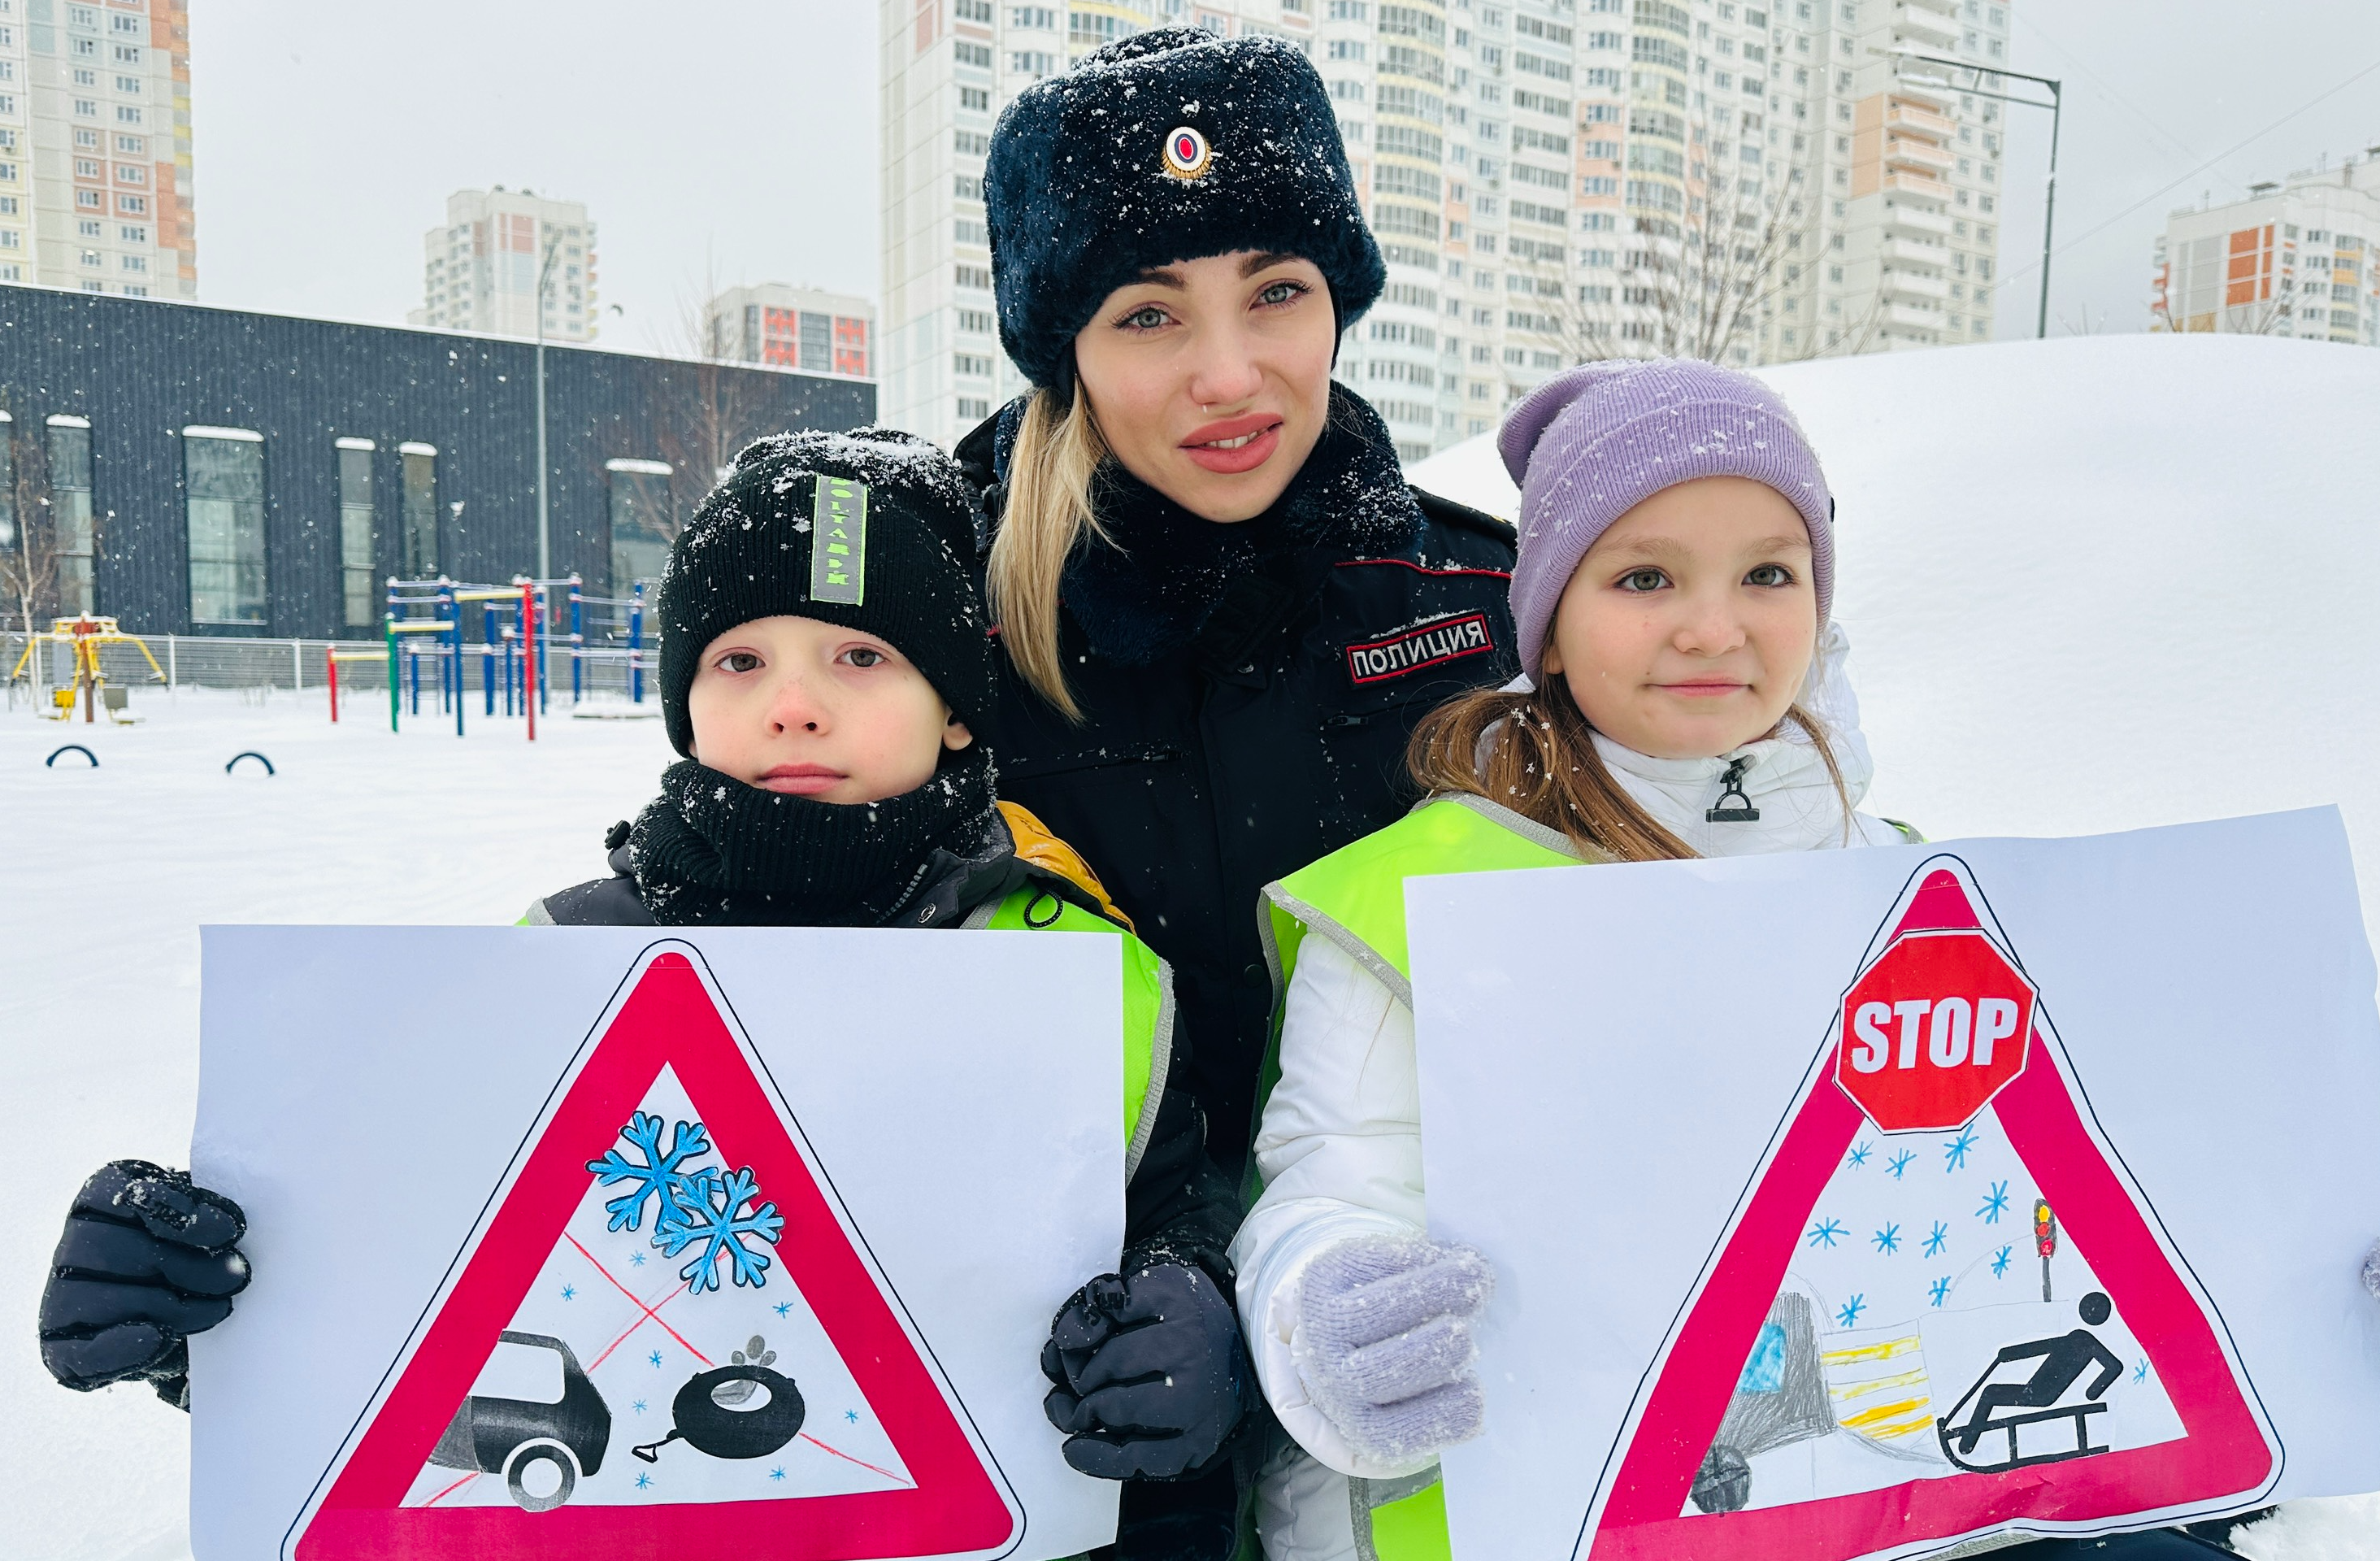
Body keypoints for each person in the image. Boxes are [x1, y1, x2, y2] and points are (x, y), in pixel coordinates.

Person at [39, 429, 1255, 1560]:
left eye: (861, 655)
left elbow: (1175, 1209)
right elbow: (421, 1283)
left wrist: (1193, 1310)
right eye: (739, 658)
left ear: (954, 711)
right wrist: (197, 1310)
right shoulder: (561, 961)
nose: (794, 700)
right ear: (686, 702)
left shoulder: (1076, 970)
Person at [1226, 359, 2252, 1560]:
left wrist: (2294, 1275)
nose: (1713, 628)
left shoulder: (1915, 890)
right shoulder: (1424, 892)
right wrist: (1323, 1315)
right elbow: (1333, 1186)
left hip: (1892, 1505)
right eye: (1644, 576)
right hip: (1555, 1509)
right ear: (1549, 627)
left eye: (1768, 572)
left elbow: (2105, 1194)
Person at [962, 27, 1522, 1183]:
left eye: (1276, 291)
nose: (1228, 374)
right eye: (1149, 314)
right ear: (1066, 352)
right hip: (1071, 1301)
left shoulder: (1496, 601)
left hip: (1424, 1276)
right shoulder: (938, 633)